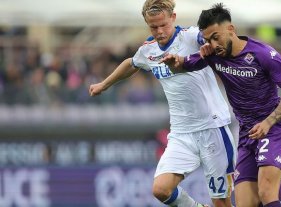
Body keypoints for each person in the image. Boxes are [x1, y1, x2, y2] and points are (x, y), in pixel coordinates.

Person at [160, 3, 281, 207]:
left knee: (266, 192)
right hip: (247, 134)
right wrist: (173, 62)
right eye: (207, 40)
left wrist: (268, 122)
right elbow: (182, 65)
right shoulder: (212, 55)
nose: (213, 44)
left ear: (231, 29)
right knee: (249, 204)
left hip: (273, 128)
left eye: (216, 37)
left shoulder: (264, 54)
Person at [89, 1, 236, 206]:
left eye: (163, 25)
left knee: (222, 203)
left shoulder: (191, 36)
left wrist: (210, 43)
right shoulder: (149, 50)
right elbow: (132, 63)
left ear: (173, 18)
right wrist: (104, 84)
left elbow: (214, 38)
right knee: (161, 189)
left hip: (212, 129)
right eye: (153, 27)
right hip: (181, 134)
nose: (159, 31)